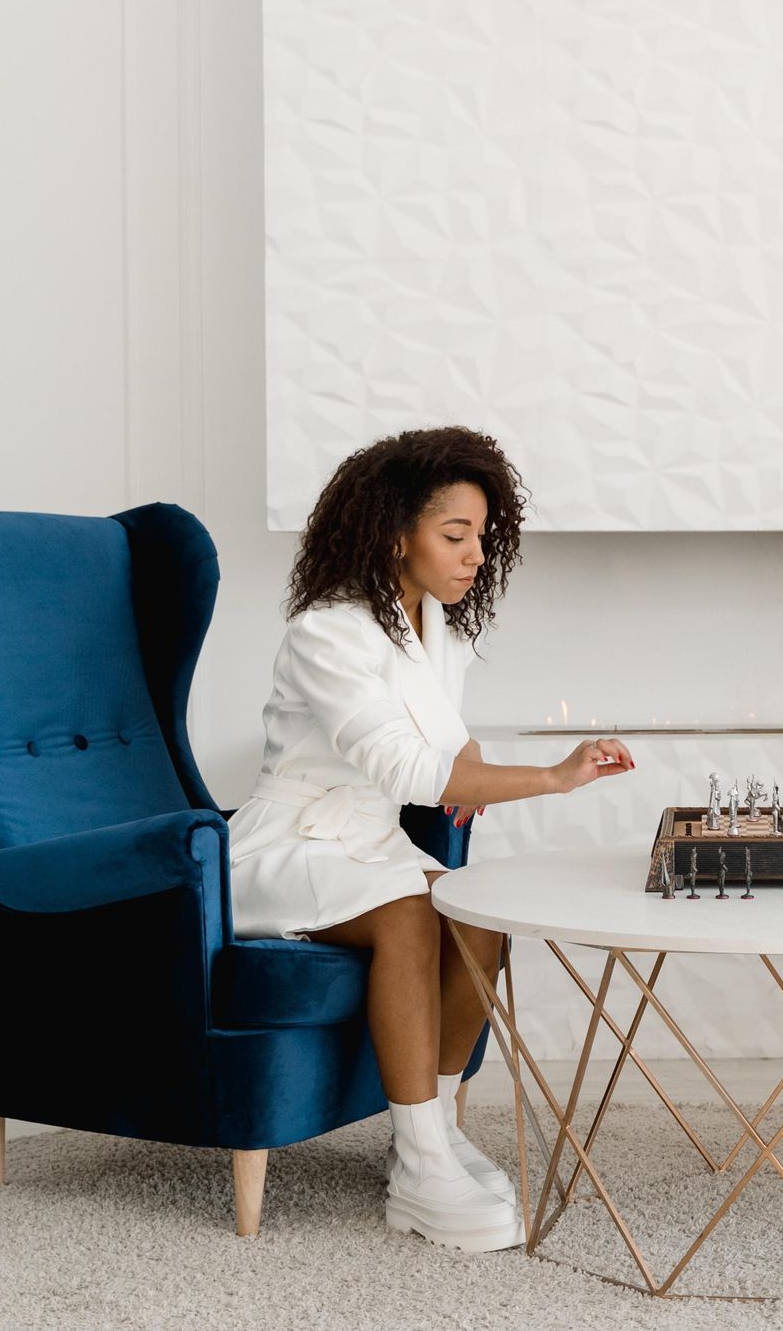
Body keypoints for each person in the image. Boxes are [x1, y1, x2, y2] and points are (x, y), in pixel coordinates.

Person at [228, 427, 635, 1251]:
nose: (476, 554)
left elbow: (440, 744)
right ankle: (418, 1165)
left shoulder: (436, 629)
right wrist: (553, 777)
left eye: (483, 537)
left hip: (371, 845)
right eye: (456, 536)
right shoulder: (327, 632)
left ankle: (434, 1130)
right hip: (290, 847)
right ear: (393, 533)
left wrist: (469, 755)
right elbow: (409, 768)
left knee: (479, 910)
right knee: (410, 915)